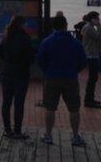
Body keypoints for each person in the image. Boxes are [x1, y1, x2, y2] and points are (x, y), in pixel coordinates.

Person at [36, 15, 87, 146]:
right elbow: (83, 62)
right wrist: (74, 71)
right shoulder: (76, 43)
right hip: (70, 78)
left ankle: (48, 135)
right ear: (66, 25)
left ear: (54, 26)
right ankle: (75, 136)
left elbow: (40, 60)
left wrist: (48, 71)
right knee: (74, 109)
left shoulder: (47, 42)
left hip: (52, 78)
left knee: (50, 108)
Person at [0, 15, 34, 139]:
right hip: (21, 74)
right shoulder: (25, 38)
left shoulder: (6, 37)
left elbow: (1, 54)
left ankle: (7, 130)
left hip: (6, 73)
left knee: (6, 102)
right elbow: (30, 57)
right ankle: (17, 131)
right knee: (19, 103)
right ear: (22, 24)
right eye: (25, 23)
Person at [82, 11, 101, 108]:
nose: (98, 20)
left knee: (93, 78)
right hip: (91, 55)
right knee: (93, 78)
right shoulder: (89, 28)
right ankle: (88, 100)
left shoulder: (88, 27)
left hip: (92, 54)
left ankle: (90, 98)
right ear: (92, 19)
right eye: (97, 18)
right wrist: (99, 27)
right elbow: (98, 37)